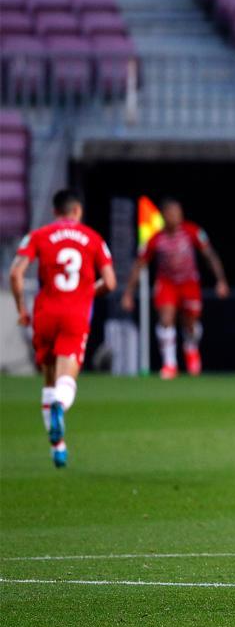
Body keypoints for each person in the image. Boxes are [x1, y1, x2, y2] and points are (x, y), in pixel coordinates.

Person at [8, 189, 116, 468]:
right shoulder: (93, 238)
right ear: (77, 210)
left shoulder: (38, 235)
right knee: (66, 378)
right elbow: (111, 282)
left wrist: (20, 308)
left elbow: (15, 273)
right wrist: (88, 291)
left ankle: (58, 448)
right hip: (74, 313)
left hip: (45, 312)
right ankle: (60, 407)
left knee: (48, 378)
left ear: (55, 212)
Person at [120, 198, 230, 379]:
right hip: (167, 283)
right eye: (171, 213)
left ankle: (191, 349)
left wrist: (221, 280)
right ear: (164, 216)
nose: (176, 216)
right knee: (166, 318)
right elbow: (139, 265)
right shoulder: (156, 239)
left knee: (191, 323)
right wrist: (128, 293)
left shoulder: (192, 231)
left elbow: (209, 255)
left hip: (189, 283)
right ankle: (170, 364)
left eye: (178, 212)